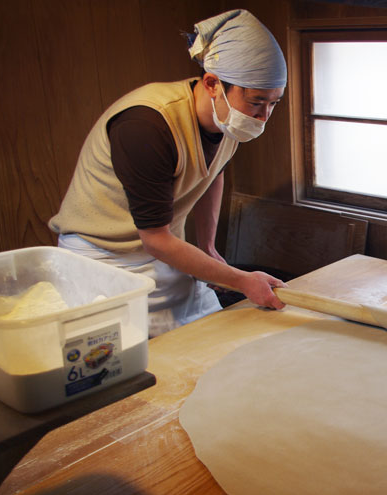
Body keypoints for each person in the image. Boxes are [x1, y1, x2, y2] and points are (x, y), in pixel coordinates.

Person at [49, 10, 287, 336]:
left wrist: (207, 246)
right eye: (257, 102)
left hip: (164, 250)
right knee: (138, 356)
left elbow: (211, 174)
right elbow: (155, 239)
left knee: (210, 336)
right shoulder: (146, 126)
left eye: (274, 103)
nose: (264, 116)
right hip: (103, 258)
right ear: (213, 84)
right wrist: (241, 280)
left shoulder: (229, 118)